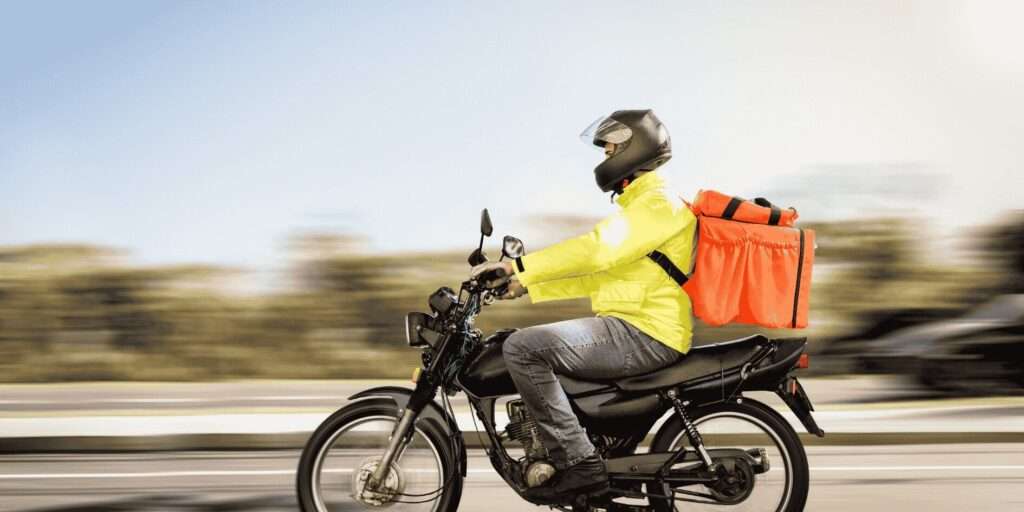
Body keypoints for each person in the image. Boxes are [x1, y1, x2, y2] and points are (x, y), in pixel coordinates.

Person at [470, 109, 698, 502]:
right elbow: (599, 276)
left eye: (611, 148)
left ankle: (580, 463)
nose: (605, 156)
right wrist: (525, 286)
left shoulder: (657, 204)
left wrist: (516, 265)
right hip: (635, 326)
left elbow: (597, 251)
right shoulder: (644, 206)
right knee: (530, 346)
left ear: (636, 147)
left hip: (645, 332)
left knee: (522, 348)